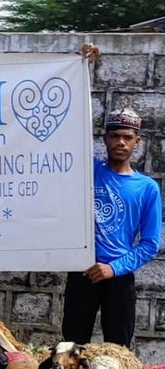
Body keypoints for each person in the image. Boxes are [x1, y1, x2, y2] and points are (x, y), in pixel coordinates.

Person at [64, 47, 162, 347]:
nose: (120, 142)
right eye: (114, 135)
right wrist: (87, 68)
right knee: (70, 348)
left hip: (118, 276)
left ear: (137, 143)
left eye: (127, 137)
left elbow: (150, 244)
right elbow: (71, 125)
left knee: (118, 351)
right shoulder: (87, 170)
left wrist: (114, 268)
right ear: (105, 138)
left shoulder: (147, 188)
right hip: (82, 271)